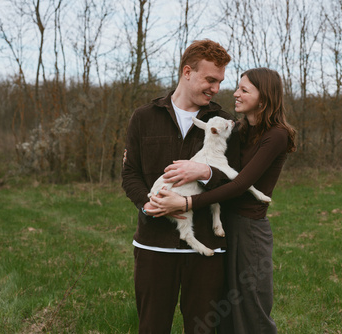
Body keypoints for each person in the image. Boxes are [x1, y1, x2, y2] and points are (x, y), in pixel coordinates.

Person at [148, 67, 297, 334]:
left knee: (252, 309)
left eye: (244, 90)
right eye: (237, 88)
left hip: (249, 229)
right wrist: (135, 158)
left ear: (263, 98)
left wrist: (187, 204)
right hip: (223, 227)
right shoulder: (239, 130)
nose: (235, 94)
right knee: (223, 313)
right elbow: (204, 151)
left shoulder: (276, 135)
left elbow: (239, 184)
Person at [121, 39, 240, 334]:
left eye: (220, 81)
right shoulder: (143, 117)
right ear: (187, 72)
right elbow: (130, 173)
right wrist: (146, 204)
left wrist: (205, 173)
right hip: (153, 245)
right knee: (152, 327)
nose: (216, 87)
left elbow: (235, 179)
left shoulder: (224, 121)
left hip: (207, 250)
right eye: (210, 79)